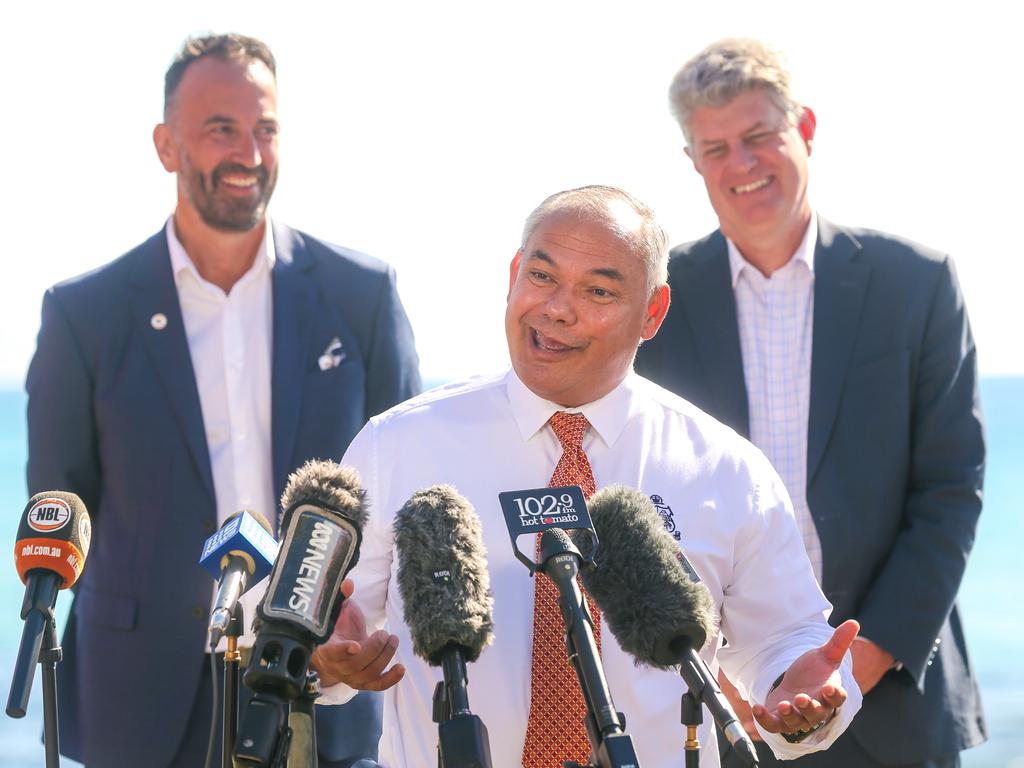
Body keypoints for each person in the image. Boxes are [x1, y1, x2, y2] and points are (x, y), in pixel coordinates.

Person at [307, 185, 862, 768]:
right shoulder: (395, 446)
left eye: (597, 290)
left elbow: (785, 643)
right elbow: (318, 632)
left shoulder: (724, 468)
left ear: (652, 312)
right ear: (515, 273)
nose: (557, 309)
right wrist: (321, 654)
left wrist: (803, 693)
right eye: (542, 277)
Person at [25, 33, 420, 768]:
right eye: (221, 129)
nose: (250, 152)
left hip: (326, 683)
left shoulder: (362, 296)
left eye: (265, 128)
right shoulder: (84, 314)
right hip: (142, 703)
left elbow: (409, 489)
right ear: (166, 145)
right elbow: (60, 508)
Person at [634, 38, 985, 768]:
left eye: (760, 136)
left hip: (891, 702)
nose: (742, 164)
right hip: (719, 707)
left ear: (807, 129)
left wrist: (848, 673)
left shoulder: (915, 284)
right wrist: (715, 668)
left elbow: (950, 493)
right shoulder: (659, 302)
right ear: (694, 162)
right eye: (716, 147)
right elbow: (638, 499)